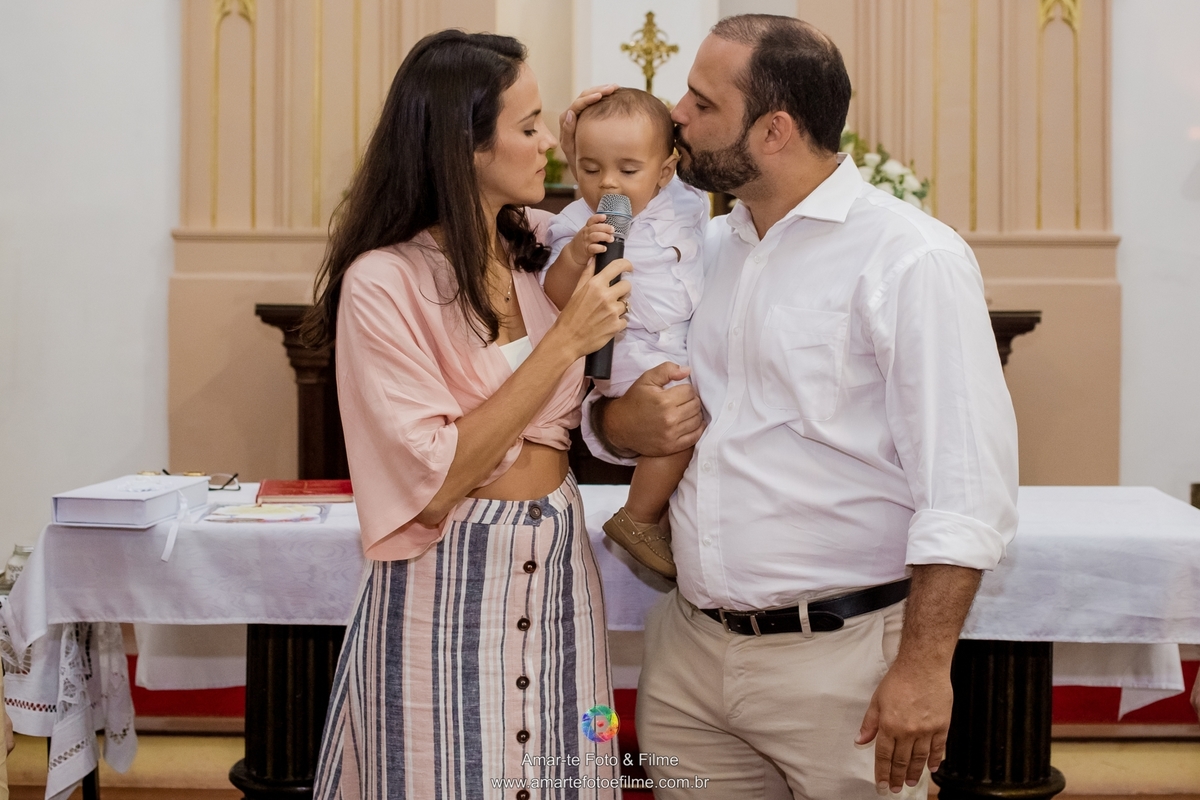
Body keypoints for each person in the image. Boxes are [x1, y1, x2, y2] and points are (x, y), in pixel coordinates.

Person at [560, 14, 1019, 800]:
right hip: (690, 656)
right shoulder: (700, 251)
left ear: (772, 130)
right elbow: (629, 401)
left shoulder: (911, 259)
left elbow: (967, 487)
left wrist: (923, 668)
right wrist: (613, 427)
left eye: (702, 104)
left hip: (842, 665)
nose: (677, 115)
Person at [303, 30, 631, 800]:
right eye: (528, 128)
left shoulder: (529, 261)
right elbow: (438, 476)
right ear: (465, 146)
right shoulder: (383, 282)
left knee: (569, 775)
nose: (547, 143)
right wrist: (566, 344)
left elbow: (637, 195)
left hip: (558, 574)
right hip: (442, 581)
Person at [542, 88, 709, 579]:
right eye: (590, 169)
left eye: (627, 170)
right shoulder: (576, 221)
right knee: (680, 419)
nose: (608, 183)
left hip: (678, 340)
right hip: (625, 348)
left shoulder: (685, 203)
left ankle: (661, 516)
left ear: (664, 172)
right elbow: (555, 295)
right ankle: (639, 516)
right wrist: (576, 255)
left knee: (696, 411)